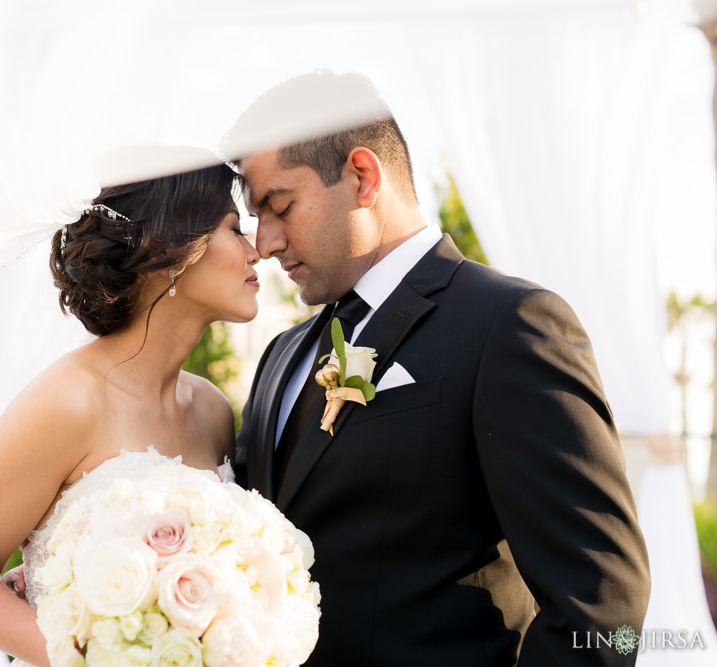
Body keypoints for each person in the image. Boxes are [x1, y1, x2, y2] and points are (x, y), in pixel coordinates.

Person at [227, 71, 651, 666]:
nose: (265, 242)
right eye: (255, 218)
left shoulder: (510, 325)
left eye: (280, 206)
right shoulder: (280, 357)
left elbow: (603, 603)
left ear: (362, 176)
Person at [0, 156, 261, 667]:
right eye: (236, 230)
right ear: (172, 252)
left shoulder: (213, 411)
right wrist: (98, 658)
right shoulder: (65, 403)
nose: (255, 251)